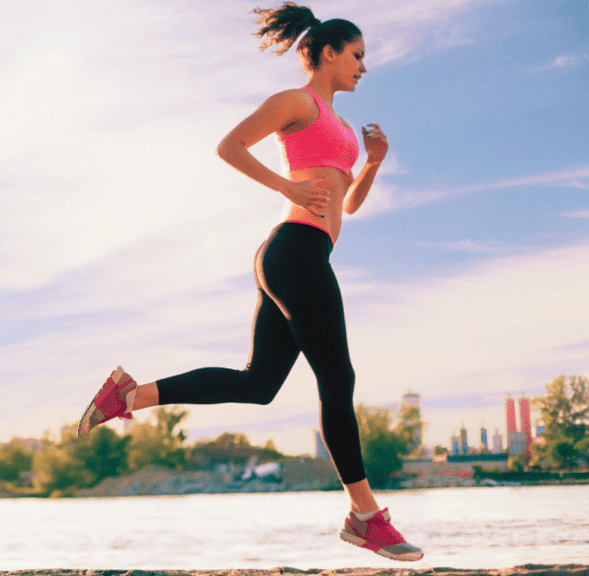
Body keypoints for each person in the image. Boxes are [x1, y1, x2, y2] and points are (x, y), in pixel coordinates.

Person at [77, 1, 424, 563]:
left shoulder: (341, 128)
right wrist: (287, 190)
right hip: (296, 251)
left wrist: (374, 162)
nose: (364, 67)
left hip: (302, 254)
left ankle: (128, 395)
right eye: (357, 55)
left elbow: (347, 206)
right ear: (328, 53)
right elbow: (229, 146)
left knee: (260, 383)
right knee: (338, 377)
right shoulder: (298, 101)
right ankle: (366, 516)